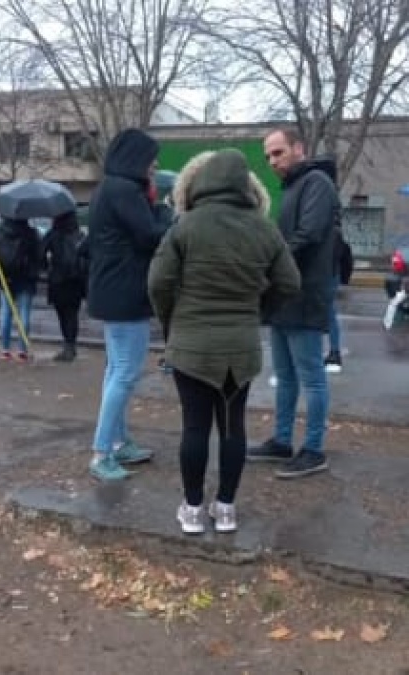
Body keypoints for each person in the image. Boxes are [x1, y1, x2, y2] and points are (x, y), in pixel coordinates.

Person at [148, 149, 300, 535]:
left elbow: (158, 283)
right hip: (241, 348)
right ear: (247, 186)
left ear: (199, 183)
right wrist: (259, 312)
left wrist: (172, 322)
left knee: (194, 427)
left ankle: (193, 509)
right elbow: (290, 283)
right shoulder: (264, 229)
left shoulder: (185, 226)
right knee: (233, 427)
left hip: (191, 347)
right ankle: (227, 508)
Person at [248, 129, 339, 478]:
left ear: (299, 148)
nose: (273, 161)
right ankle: (282, 441)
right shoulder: (292, 187)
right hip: (285, 297)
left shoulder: (316, 182)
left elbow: (307, 236)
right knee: (284, 376)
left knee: (312, 378)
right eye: (269, 156)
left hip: (305, 295)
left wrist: (267, 266)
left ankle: (314, 450)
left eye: (278, 152)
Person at [86, 128, 171, 481]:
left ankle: (119, 442)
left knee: (115, 371)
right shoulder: (124, 190)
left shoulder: (110, 187)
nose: (156, 165)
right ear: (137, 157)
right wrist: (166, 211)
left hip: (111, 290)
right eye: (152, 157)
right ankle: (101, 452)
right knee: (124, 373)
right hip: (125, 293)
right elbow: (150, 235)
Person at [0, 217, 40, 361]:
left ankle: (5, 349)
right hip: (25, 279)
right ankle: (22, 350)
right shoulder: (31, 234)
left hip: (6, 278)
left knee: (6, 314)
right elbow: (37, 257)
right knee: (24, 314)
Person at [42, 210, 88, 361]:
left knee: (62, 314)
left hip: (58, 279)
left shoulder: (53, 234)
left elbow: (40, 252)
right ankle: (71, 344)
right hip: (76, 280)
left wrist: (46, 266)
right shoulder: (79, 234)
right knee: (72, 313)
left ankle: (67, 345)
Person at [325, 224, 353, 373]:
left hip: (323, 275)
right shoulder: (336, 232)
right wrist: (344, 278)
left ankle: (333, 352)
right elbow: (346, 256)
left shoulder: (322, 229)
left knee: (326, 313)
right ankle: (334, 351)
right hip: (332, 274)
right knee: (330, 314)